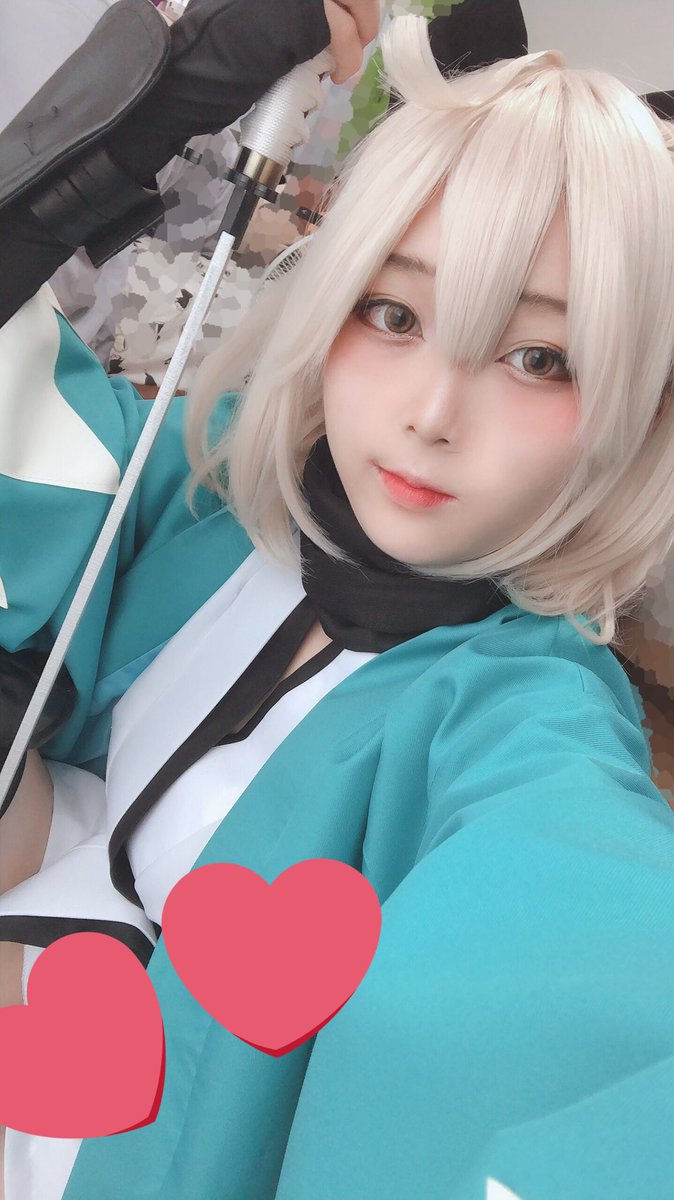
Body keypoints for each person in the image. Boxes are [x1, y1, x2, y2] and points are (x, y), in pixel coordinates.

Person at [1, 3, 674, 1200]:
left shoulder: (523, 725)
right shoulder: (227, 507)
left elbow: (590, 992)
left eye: (537, 358)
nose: (429, 414)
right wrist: (90, 153)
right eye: (394, 314)